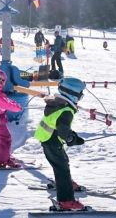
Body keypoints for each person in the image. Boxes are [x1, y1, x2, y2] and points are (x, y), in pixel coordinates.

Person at [34, 77, 86, 211]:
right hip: (52, 140)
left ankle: (65, 183)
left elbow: (58, 124)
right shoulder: (66, 111)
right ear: (73, 94)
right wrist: (72, 139)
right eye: (80, 94)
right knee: (62, 168)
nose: (80, 97)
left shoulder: (57, 103)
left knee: (62, 163)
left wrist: (71, 135)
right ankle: (66, 201)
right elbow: (63, 130)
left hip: (47, 138)